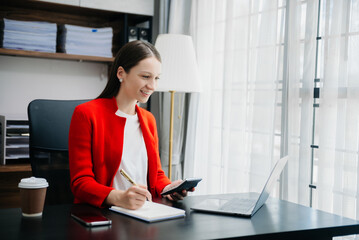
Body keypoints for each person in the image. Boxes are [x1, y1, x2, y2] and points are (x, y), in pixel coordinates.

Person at [68, 40, 193, 210]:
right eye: (145, 76)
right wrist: (119, 197)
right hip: (104, 214)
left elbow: (156, 174)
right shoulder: (86, 114)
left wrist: (168, 188)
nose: (152, 86)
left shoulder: (148, 120)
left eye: (156, 78)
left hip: (145, 212)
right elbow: (80, 183)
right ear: (121, 73)